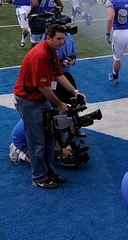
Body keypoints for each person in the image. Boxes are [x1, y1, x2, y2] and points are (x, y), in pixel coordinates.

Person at [12, 22, 83, 189]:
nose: (62, 42)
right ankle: (39, 177)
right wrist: (59, 104)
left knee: (50, 138)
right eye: (59, 39)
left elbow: (58, 75)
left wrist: (75, 92)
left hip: (38, 99)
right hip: (29, 101)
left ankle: (50, 173)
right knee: (37, 142)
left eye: (63, 39)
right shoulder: (40, 55)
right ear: (48, 38)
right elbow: (43, 86)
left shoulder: (51, 52)